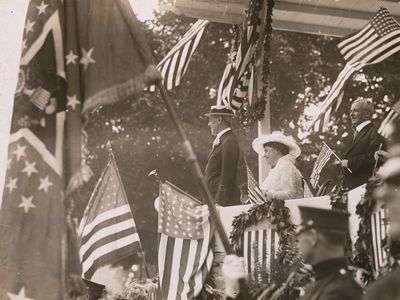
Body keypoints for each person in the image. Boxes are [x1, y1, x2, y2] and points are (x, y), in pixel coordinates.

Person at [222, 206, 363, 300]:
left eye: (299, 235)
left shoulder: (337, 292)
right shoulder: (327, 284)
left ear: (313, 237)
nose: (297, 242)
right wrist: (233, 291)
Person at [342, 98, 386, 190]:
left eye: (356, 111)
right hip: (350, 189)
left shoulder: (374, 132)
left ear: (367, 114)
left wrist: (350, 163)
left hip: (363, 191)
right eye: (351, 111)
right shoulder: (354, 134)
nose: (351, 114)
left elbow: (375, 158)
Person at [204, 105, 241, 206]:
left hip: (223, 203)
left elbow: (227, 175)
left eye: (210, 120)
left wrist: (219, 202)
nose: (208, 124)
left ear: (219, 120)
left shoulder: (229, 140)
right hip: (213, 199)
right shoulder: (224, 140)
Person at [252, 131, 304, 200]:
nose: (264, 155)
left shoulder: (286, 166)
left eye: (266, 151)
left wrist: (266, 194)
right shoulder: (278, 167)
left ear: (277, 151)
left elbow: (290, 195)